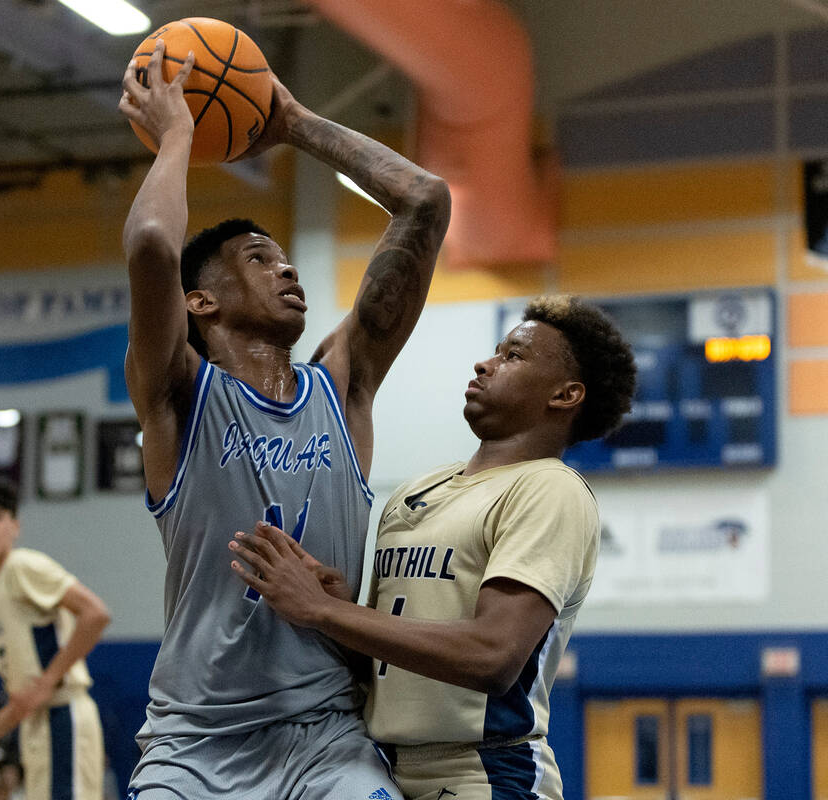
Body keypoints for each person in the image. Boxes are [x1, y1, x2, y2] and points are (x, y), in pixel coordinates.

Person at [117, 35, 450, 799]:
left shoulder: (343, 387)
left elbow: (425, 201)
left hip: (326, 735)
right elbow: (149, 245)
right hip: (195, 743)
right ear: (200, 302)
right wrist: (178, 136)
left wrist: (294, 121)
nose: (288, 268)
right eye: (259, 259)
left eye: (283, 257)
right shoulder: (177, 395)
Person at [230, 295, 637, 800]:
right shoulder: (416, 492)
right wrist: (336, 609)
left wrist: (322, 613)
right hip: (382, 765)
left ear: (565, 394)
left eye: (513, 356)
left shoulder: (550, 489)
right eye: (495, 351)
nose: (484, 363)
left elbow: (492, 657)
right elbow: (386, 663)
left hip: (484, 773)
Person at [0, 478, 111, 800]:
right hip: (38, 724)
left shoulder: (22, 566)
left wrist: (50, 679)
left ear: (15, 526)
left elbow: (95, 613)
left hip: (63, 717)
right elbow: (28, 695)